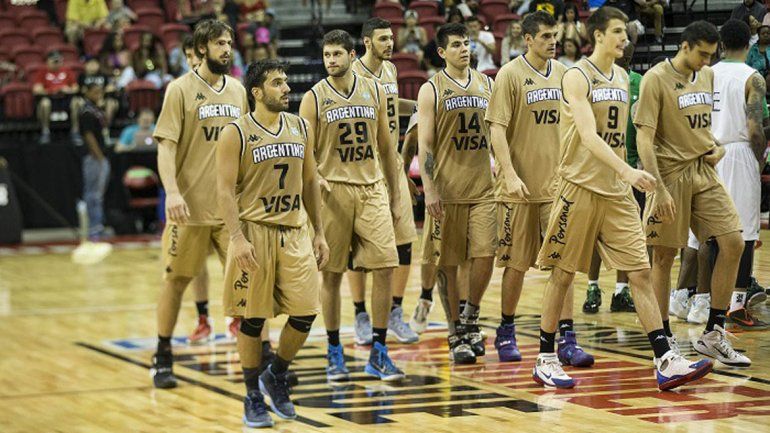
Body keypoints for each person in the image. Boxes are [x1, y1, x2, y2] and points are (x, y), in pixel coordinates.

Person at [534, 6, 712, 390]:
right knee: (563, 275)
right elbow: (588, 135)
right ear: (598, 35)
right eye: (618, 32)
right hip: (579, 185)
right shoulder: (576, 77)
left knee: (641, 272)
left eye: (625, 33)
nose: (625, 39)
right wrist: (627, 170)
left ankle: (665, 358)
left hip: (616, 193)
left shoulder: (621, 75)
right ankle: (546, 357)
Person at [217, 59, 327, 428]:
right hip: (255, 232)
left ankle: (276, 372)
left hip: (294, 230)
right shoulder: (237, 132)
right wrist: (236, 239)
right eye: (277, 83)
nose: (286, 88)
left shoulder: (300, 127)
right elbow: (224, 191)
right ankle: (252, 395)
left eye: (286, 82)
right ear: (257, 92)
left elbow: (311, 183)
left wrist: (320, 232)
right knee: (253, 318)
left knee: (307, 311)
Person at [635, 20, 751, 367]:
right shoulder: (656, 79)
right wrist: (657, 186)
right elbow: (644, 137)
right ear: (684, 46)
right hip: (669, 173)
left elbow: (701, 126)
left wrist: (718, 147)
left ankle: (714, 333)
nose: (706, 61)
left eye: (711, 55)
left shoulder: (708, 75)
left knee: (734, 242)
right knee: (664, 256)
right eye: (702, 54)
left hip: (704, 169)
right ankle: (664, 338)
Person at [487, 11, 595, 366]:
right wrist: (509, 172)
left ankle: (567, 337)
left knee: (562, 265)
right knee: (515, 265)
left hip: (557, 187)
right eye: (546, 36)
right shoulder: (509, 75)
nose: (554, 42)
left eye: (555, 36)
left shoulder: (566, 75)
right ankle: (506, 330)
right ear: (528, 39)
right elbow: (497, 130)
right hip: (517, 188)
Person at [298, 29, 405, 381]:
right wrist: (317, 180)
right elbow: (305, 152)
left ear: (351, 54)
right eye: (327, 55)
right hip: (333, 191)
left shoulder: (373, 89)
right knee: (331, 274)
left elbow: (388, 147)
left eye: (337, 55)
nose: (331, 61)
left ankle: (378, 349)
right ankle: (333, 350)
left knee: (386, 266)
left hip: (371, 186)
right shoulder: (313, 98)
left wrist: (393, 191)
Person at [150, 19, 249, 389]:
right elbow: (166, 145)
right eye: (221, 43)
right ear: (203, 47)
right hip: (189, 209)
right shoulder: (179, 90)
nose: (228, 49)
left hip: (230, 211)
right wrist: (172, 192)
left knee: (248, 282)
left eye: (230, 42)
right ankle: (162, 354)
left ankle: (261, 355)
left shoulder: (239, 91)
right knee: (175, 282)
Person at [417, 23, 497, 365]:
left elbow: (498, 134)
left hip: (483, 188)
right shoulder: (430, 89)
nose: (464, 49)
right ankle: (455, 332)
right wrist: (430, 189)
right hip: (447, 191)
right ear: (441, 52)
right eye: (456, 45)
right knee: (447, 266)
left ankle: (470, 317)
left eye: (466, 43)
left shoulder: (486, 84)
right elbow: (425, 144)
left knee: (485, 255)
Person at [686, 19, 769, 330]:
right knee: (744, 234)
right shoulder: (753, 77)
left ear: (719, 45)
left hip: (705, 151)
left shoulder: (704, 73)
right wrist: (760, 157)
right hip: (737, 151)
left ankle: (699, 301)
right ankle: (736, 305)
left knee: (707, 234)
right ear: (748, 44)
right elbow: (754, 129)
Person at [349, 18, 420, 345]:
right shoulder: (352, 76)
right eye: (382, 39)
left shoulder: (390, 71)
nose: (390, 44)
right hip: (363, 170)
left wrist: (421, 105)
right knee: (361, 249)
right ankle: (360, 314)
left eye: (391, 38)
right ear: (366, 42)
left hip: (392, 165)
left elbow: (392, 107)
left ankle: (394, 311)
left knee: (404, 243)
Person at [581, 42, 642, 315]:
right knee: (594, 235)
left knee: (628, 237)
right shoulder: (592, 77)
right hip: (599, 167)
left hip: (631, 168)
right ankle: (592, 287)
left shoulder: (639, 81)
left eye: (628, 44)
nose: (625, 49)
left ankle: (622, 291)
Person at [79, 82, 110, 239]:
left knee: (98, 193)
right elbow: (89, 136)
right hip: (94, 158)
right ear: (88, 93)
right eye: (95, 92)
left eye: (100, 92)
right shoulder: (87, 113)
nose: (99, 95)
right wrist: (99, 157)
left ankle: (98, 224)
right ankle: (93, 227)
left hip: (100, 156)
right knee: (93, 194)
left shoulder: (97, 110)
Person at [33, 50, 79, 145]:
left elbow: (76, 88)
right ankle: (45, 131)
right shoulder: (42, 72)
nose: (56, 63)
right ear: (48, 61)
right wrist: (51, 91)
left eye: (58, 61)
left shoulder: (67, 71)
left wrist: (67, 90)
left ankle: (75, 131)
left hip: (65, 98)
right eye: (54, 61)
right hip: (50, 99)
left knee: (77, 102)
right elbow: (36, 89)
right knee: (45, 104)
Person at [71, 57, 119, 143]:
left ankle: (106, 130)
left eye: (95, 63)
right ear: (86, 65)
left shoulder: (103, 76)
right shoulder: (82, 76)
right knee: (75, 102)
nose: (93, 66)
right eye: (90, 63)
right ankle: (76, 130)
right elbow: (79, 89)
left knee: (111, 103)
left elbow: (110, 88)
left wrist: (100, 95)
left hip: (102, 99)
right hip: (85, 100)